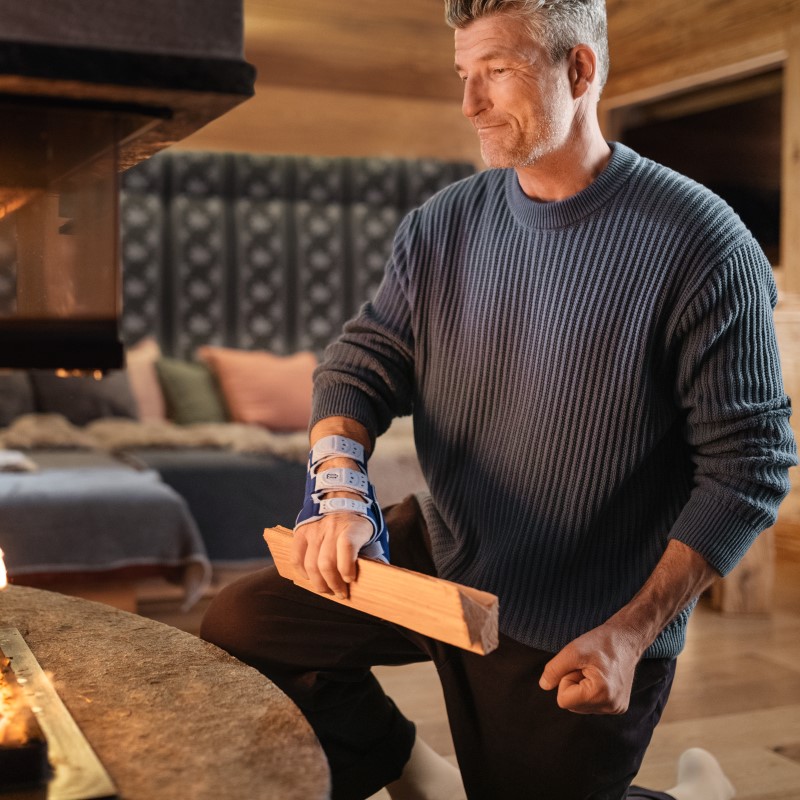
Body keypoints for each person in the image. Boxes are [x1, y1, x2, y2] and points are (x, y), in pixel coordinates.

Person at [201, 1, 797, 798]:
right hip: (446, 555)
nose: (470, 104)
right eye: (463, 74)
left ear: (579, 71)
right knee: (240, 628)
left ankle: (699, 794)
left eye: (498, 72)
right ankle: (396, 759)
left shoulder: (702, 242)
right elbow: (363, 358)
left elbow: (750, 466)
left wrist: (630, 634)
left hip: (586, 612)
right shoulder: (442, 224)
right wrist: (339, 486)